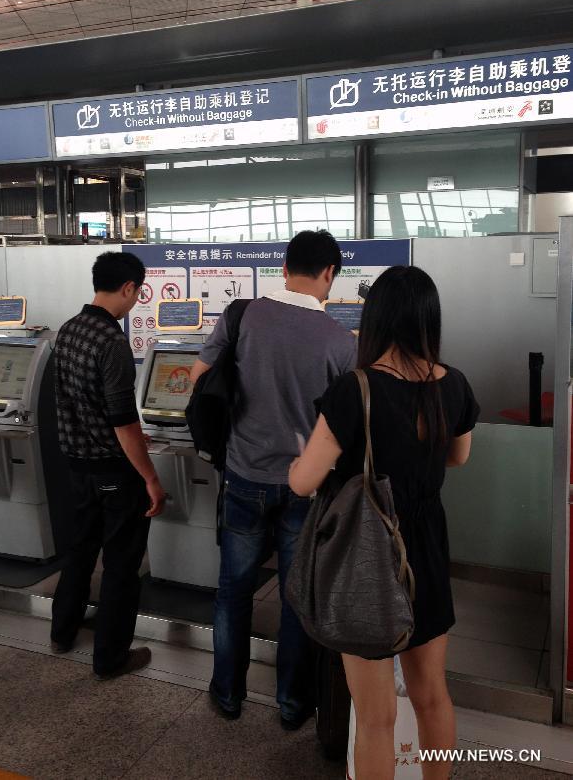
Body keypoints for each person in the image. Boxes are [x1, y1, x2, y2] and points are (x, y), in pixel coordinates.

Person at [289, 265, 479, 780]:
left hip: (369, 554)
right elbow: (457, 458)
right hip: (428, 547)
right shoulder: (454, 384)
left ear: (375, 320)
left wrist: (295, 463)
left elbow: (304, 482)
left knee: (375, 717)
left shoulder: (355, 390)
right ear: (427, 320)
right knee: (433, 696)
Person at [190, 230, 357, 728]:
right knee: (294, 597)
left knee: (233, 590)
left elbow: (199, 379)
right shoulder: (340, 343)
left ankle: (227, 693)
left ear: (284, 268)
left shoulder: (242, 315)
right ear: (328, 274)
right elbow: (343, 424)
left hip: (242, 474)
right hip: (305, 488)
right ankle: (290, 703)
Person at [50, 252, 167, 681]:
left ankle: (62, 631)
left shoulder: (69, 329)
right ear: (129, 289)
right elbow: (121, 419)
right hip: (114, 472)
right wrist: (150, 477)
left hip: (77, 465)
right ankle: (110, 657)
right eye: (137, 292)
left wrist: (133, 436)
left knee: (79, 552)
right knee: (120, 565)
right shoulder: (112, 341)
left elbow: (81, 404)